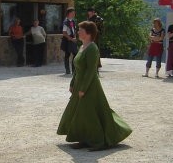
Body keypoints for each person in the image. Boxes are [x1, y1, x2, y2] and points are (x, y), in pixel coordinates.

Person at [57, 21, 132, 151]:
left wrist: (83, 89)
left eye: (81, 30)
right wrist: (72, 83)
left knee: (90, 114)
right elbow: (78, 69)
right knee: (80, 113)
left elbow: (91, 71)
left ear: (89, 33)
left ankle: (99, 142)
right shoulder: (82, 47)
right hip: (79, 84)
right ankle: (85, 139)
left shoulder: (92, 48)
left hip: (90, 86)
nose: (78, 32)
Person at [60, 8, 78, 75]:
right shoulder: (65, 22)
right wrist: (71, 39)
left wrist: (75, 37)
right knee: (67, 55)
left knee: (75, 54)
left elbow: (74, 30)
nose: (74, 14)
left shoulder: (73, 21)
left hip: (73, 39)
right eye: (73, 13)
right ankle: (67, 70)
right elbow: (64, 33)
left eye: (74, 13)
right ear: (69, 13)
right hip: (68, 40)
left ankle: (73, 70)